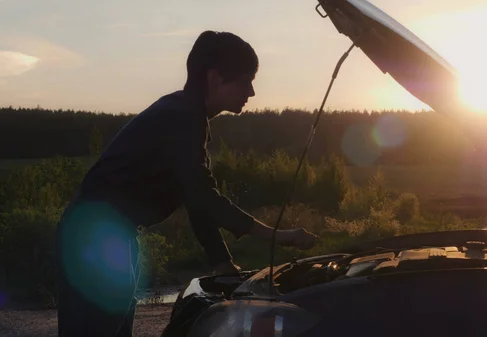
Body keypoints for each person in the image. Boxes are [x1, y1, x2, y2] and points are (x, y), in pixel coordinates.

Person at [55, 30, 318, 337]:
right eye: (246, 79)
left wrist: (222, 263)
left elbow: (194, 196)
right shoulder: (183, 117)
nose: (252, 92)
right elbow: (204, 195)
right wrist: (275, 235)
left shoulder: (185, 114)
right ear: (216, 78)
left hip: (107, 235)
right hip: (94, 238)